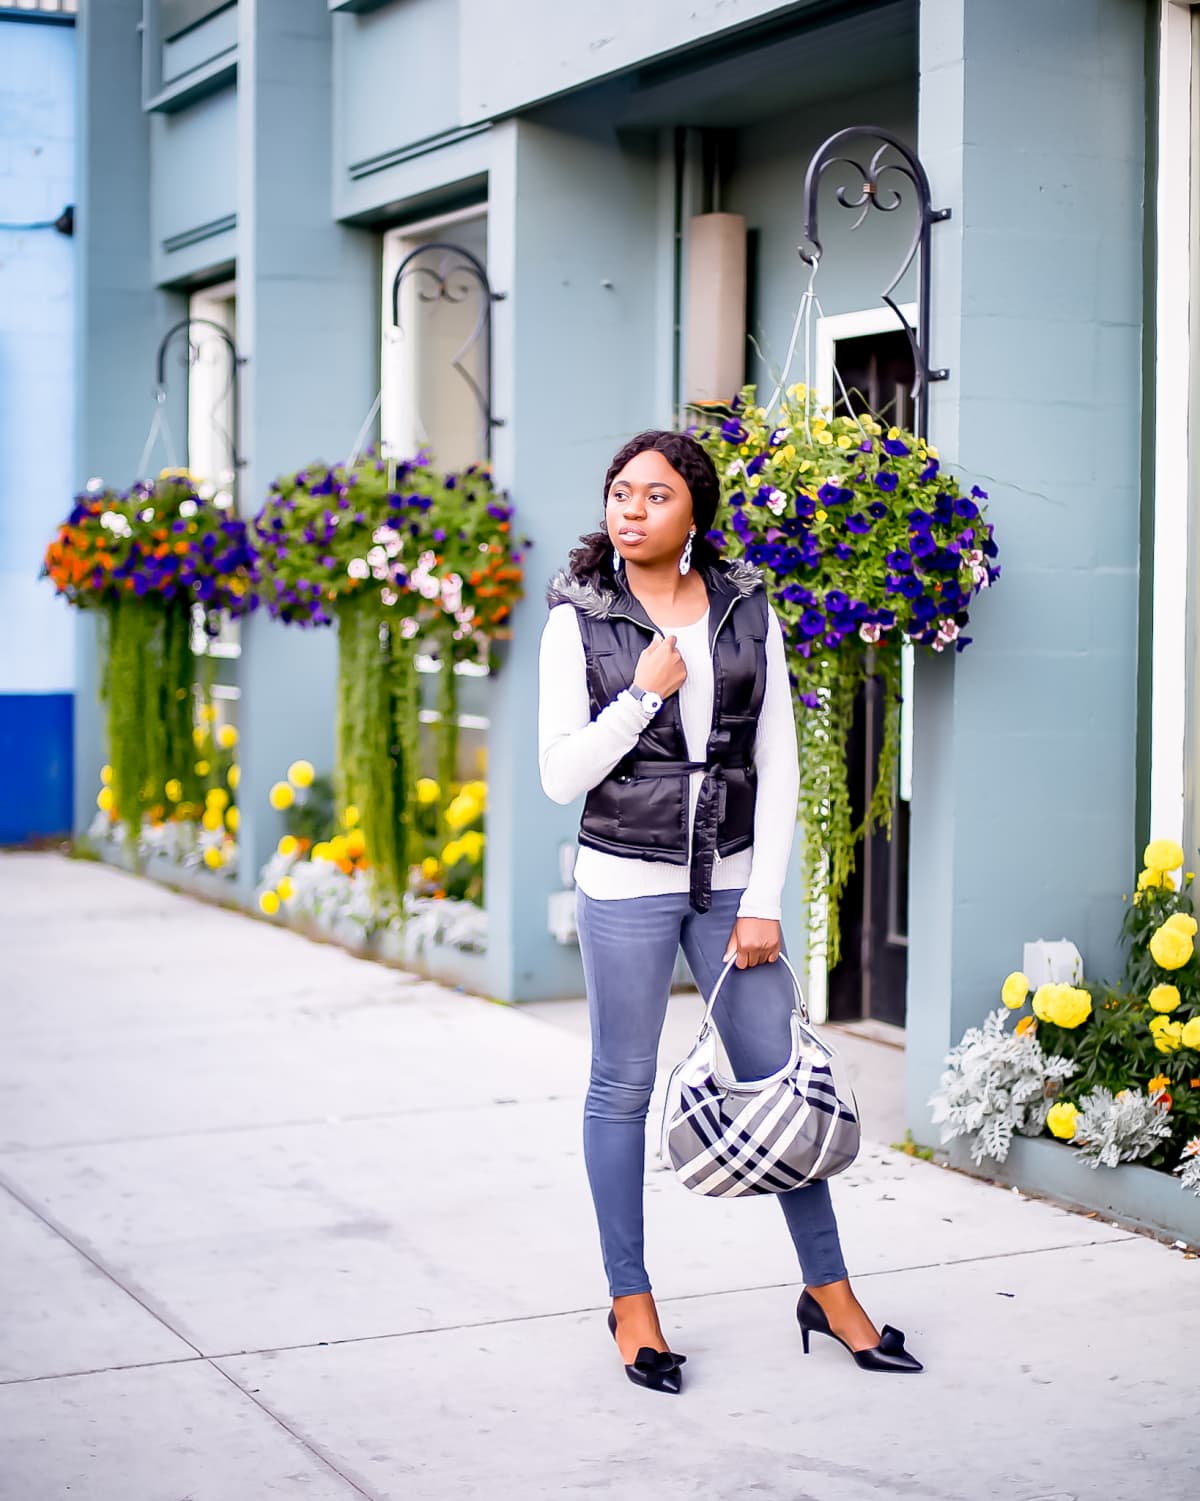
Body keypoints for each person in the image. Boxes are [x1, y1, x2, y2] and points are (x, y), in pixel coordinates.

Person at [537, 429, 923, 1394]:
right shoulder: (574, 623)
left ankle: (829, 1293)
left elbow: (780, 760)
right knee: (620, 1088)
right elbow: (559, 777)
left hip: (729, 883)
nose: (630, 510)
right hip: (621, 878)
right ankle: (631, 1302)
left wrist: (762, 901)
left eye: (654, 496)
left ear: (693, 515)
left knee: (777, 1077)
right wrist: (638, 696)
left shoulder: (748, 611)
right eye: (620, 493)